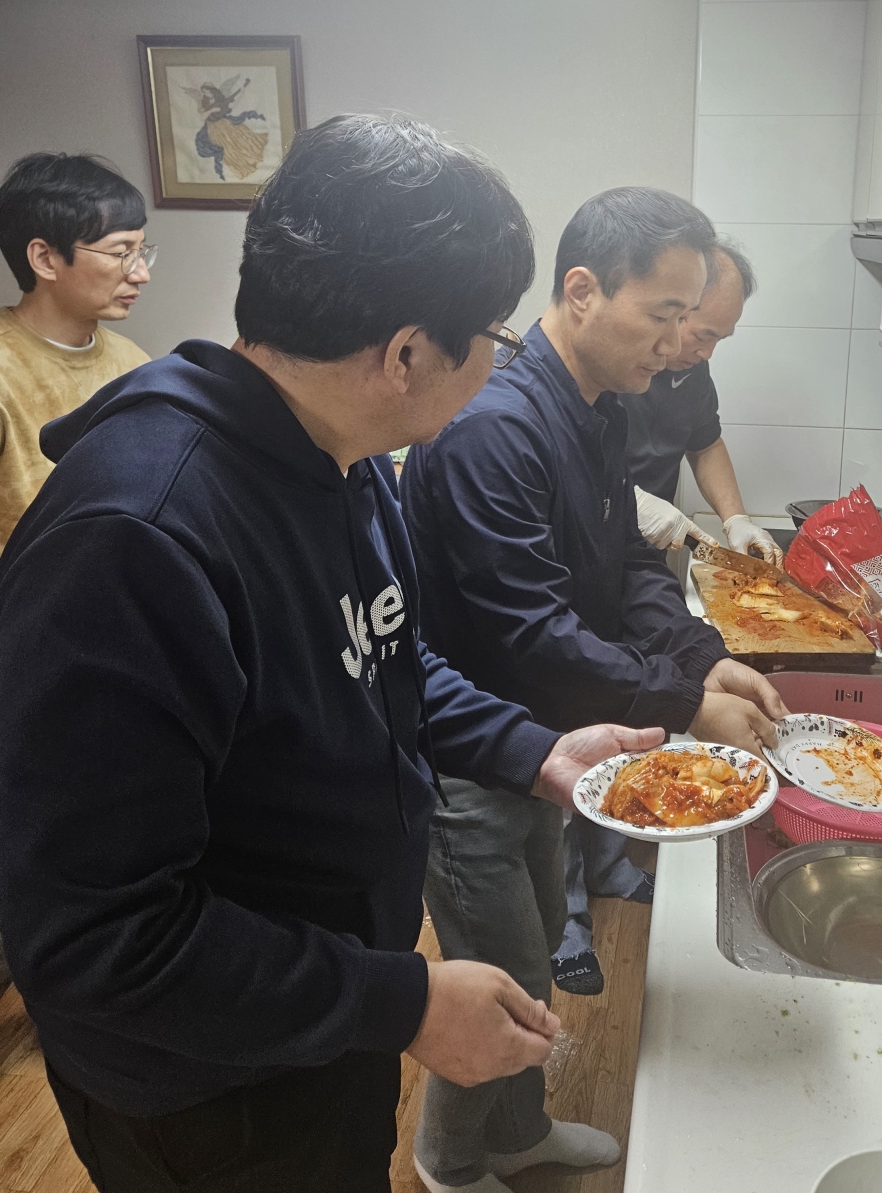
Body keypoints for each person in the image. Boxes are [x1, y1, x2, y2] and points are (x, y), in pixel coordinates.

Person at [0, 116, 664, 1193]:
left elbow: (381, 656)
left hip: (320, 1010)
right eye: (491, 336)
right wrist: (403, 1001)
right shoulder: (137, 541)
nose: (500, 361)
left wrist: (535, 750)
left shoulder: (341, 458)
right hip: (204, 1084)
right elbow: (99, 940)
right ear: (405, 355)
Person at [402, 186, 787, 1193]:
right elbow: (532, 636)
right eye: (664, 315)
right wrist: (684, 705)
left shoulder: (597, 410)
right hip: (470, 756)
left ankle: (516, 1133)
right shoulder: (493, 428)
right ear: (582, 291)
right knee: (502, 978)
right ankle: (447, 1159)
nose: (677, 344)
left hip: (545, 741)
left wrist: (701, 656)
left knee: (534, 951)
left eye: (689, 319)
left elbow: (620, 566)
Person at [0, 152, 153, 549]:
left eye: (141, 251)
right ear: (45, 258)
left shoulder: (135, 365)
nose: (141, 273)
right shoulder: (6, 370)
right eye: (121, 253)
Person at [624, 240, 783, 566]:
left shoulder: (692, 368)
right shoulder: (611, 366)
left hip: (648, 553)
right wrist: (628, 501)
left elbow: (705, 444)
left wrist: (736, 519)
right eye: (703, 336)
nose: (707, 353)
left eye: (719, 339)